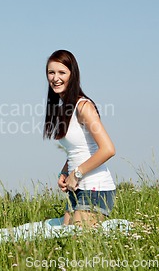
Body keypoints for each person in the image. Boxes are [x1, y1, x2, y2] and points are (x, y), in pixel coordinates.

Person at [43, 49, 116, 226]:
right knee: (64, 241)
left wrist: (76, 174)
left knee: (77, 242)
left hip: (95, 188)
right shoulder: (64, 108)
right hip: (76, 189)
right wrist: (64, 172)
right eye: (51, 72)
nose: (55, 78)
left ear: (72, 75)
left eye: (62, 72)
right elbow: (79, 149)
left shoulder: (83, 107)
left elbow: (108, 149)